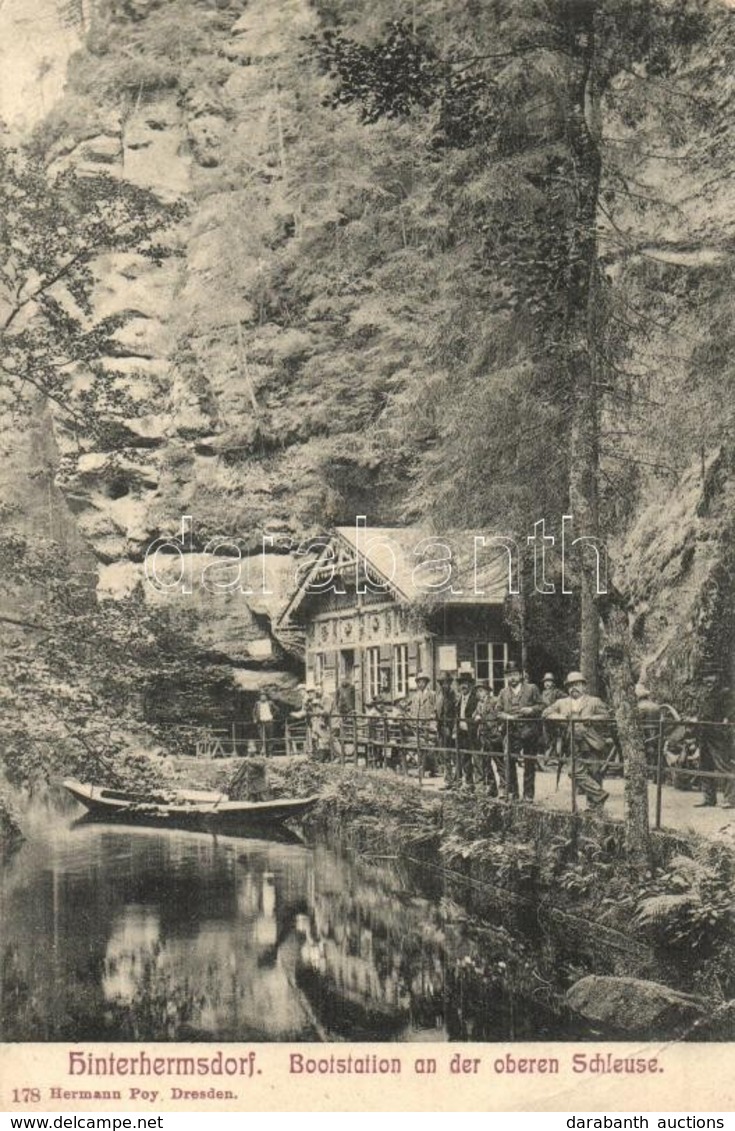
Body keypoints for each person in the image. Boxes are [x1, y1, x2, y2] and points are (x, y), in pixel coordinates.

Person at [542, 672, 610, 810]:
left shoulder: (594, 701)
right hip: (572, 742)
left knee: (594, 771)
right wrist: (559, 716)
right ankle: (600, 794)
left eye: (577, 684)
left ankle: (595, 806)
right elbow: (545, 713)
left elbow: (606, 716)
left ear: (584, 686)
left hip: (592, 742)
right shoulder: (562, 703)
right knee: (574, 772)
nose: (573, 688)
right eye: (570, 685)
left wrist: (592, 718)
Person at [495, 662, 543, 800]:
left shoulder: (532, 688)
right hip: (511, 731)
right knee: (509, 762)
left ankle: (528, 795)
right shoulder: (503, 692)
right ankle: (513, 793)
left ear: (521, 675)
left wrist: (531, 710)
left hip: (529, 731)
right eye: (509, 675)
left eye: (515, 674)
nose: (512, 678)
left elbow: (542, 705)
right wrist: (506, 716)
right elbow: (497, 711)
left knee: (529, 763)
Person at [472, 680, 501, 794]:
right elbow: (474, 715)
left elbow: (497, 714)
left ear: (487, 691)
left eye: (481, 691)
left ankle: (504, 787)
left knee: (499, 762)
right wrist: (477, 715)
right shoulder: (479, 704)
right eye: (477, 691)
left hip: (494, 735)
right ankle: (492, 786)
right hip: (483, 736)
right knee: (486, 763)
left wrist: (483, 718)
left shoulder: (494, 701)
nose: (478, 693)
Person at [454, 664, 478, 789]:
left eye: (466, 683)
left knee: (476, 758)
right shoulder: (459, 700)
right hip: (462, 732)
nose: (463, 686)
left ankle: (480, 784)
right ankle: (469, 783)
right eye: (461, 683)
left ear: (470, 685)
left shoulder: (474, 699)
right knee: (465, 758)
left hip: (472, 733)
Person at [409, 671, 438, 776]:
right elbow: (413, 709)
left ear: (426, 682)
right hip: (418, 724)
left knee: (429, 745)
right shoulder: (415, 696)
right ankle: (424, 767)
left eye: (422, 682)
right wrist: (413, 720)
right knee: (420, 746)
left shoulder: (432, 694)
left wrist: (432, 719)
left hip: (428, 724)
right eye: (418, 682)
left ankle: (431, 768)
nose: (420, 684)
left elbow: (435, 708)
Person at [635, 684, 663, 776]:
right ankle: (655, 774)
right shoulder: (656, 706)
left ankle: (642, 771)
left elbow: (637, 721)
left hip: (645, 734)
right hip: (657, 733)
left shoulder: (639, 707)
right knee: (655, 752)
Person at [436, 671, 457, 786]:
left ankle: (456, 779)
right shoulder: (439, 694)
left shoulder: (453, 695)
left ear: (449, 683)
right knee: (445, 755)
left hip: (450, 727)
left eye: (446, 683)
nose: (444, 685)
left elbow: (456, 713)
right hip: (441, 727)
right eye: (442, 683)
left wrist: (453, 728)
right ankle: (448, 779)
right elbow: (438, 710)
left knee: (453, 754)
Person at [253, 690, 277, 756]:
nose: (263, 697)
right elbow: (254, 712)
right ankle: (264, 753)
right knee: (262, 738)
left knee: (270, 738)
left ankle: (270, 753)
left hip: (269, 722)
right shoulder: (257, 704)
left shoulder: (270, 703)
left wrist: (272, 716)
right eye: (261, 696)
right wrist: (255, 719)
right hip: (261, 722)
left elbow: (277, 709)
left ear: (266, 697)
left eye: (264, 696)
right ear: (259, 697)